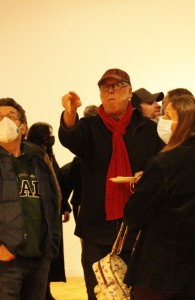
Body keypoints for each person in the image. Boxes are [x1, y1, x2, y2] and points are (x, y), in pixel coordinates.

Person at [58, 68, 163, 300]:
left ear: (129, 92)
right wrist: (69, 112)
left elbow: (160, 168)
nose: (110, 92)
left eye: (117, 87)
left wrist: (146, 176)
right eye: (105, 88)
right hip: (97, 225)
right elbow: (70, 137)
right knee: (99, 291)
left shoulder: (147, 129)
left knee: (137, 292)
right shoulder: (90, 126)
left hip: (137, 226)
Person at [123, 95, 195, 300]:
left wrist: (143, 186)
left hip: (160, 273)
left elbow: (134, 215)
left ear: (185, 124)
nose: (162, 120)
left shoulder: (163, 163)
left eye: (168, 116)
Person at [0, 97, 61, 299]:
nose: (5, 122)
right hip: (6, 260)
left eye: (11, 116)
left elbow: (54, 200)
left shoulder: (38, 158)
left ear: (23, 127)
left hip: (39, 257)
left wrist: (51, 245)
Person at [26, 122, 71, 300]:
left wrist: (64, 206)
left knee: (50, 255)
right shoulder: (33, 154)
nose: (52, 137)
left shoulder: (47, 155)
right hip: (40, 215)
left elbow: (56, 182)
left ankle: (46, 290)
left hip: (52, 213)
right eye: (49, 134)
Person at [58, 104, 99, 223]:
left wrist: (65, 204)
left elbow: (68, 182)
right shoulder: (81, 157)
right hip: (83, 202)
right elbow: (70, 181)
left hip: (83, 202)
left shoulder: (79, 158)